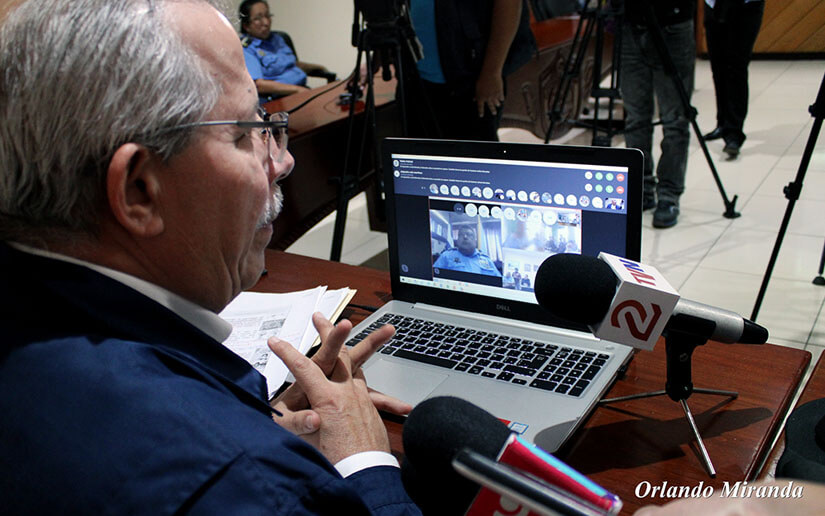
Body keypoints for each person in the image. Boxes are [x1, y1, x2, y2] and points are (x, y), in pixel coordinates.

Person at [0, 1, 420, 514]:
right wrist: (364, 462)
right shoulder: (252, 484)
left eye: (268, 126)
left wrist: (250, 417)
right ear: (138, 191)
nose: (284, 160)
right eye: (244, 133)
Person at [403, 0, 536, 140]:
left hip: (471, 77)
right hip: (415, 77)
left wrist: (492, 72)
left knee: (475, 149)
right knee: (418, 150)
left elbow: (509, 4)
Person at [620, 0, 696, 229]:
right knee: (635, 117)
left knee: (675, 118)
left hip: (673, 21)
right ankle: (640, 189)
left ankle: (669, 195)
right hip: (631, 23)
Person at [702, 0, 765, 159]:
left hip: (746, 7)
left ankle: (734, 133)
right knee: (718, 68)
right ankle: (722, 123)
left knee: (736, 69)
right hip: (713, 6)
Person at [239, 0, 332, 101]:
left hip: (301, 92)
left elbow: (291, 64)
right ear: (246, 26)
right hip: (280, 100)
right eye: (258, 18)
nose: (266, 22)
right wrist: (297, 90)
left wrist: (319, 67)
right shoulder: (247, 48)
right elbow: (258, 85)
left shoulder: (277, 39)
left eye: (268, 15)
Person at [433, 227, 502, 276]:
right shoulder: (446, 256)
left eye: (469, 234)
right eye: (461, 235)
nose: (465, 237)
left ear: (475, 240)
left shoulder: (486, 260)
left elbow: (500, 282)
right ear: (457, 240)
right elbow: (433, 276)